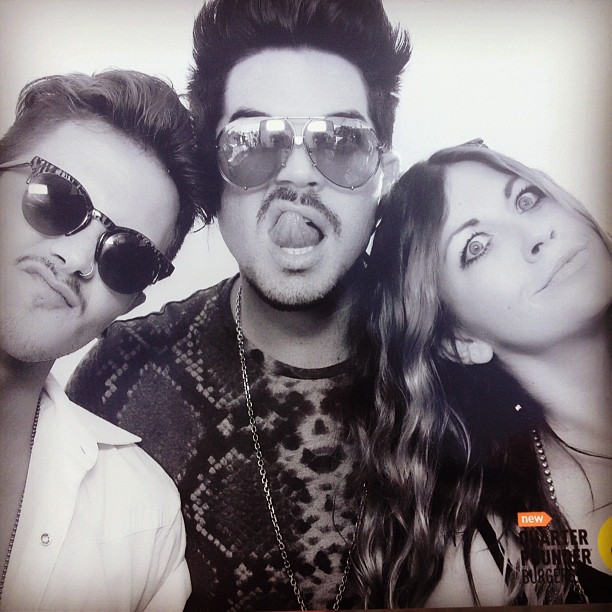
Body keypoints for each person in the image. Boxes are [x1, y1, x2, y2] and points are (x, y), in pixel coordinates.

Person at [67, 0, 412, 609]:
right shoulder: (121, 376)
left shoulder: (458, 361)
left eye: (340, 141)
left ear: (382, 173)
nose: (298, 175)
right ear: (212, 176)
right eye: (253, 142)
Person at [349, 140, 612, 606]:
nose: (536, 235)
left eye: (527, 200)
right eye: (477, 246)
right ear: (459, 342)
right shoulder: (483, 565)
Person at [0, 69, 204, 610]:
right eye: (55, 199)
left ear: (131, 302)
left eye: (126, 257)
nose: (75, 260)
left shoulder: (144, 515)